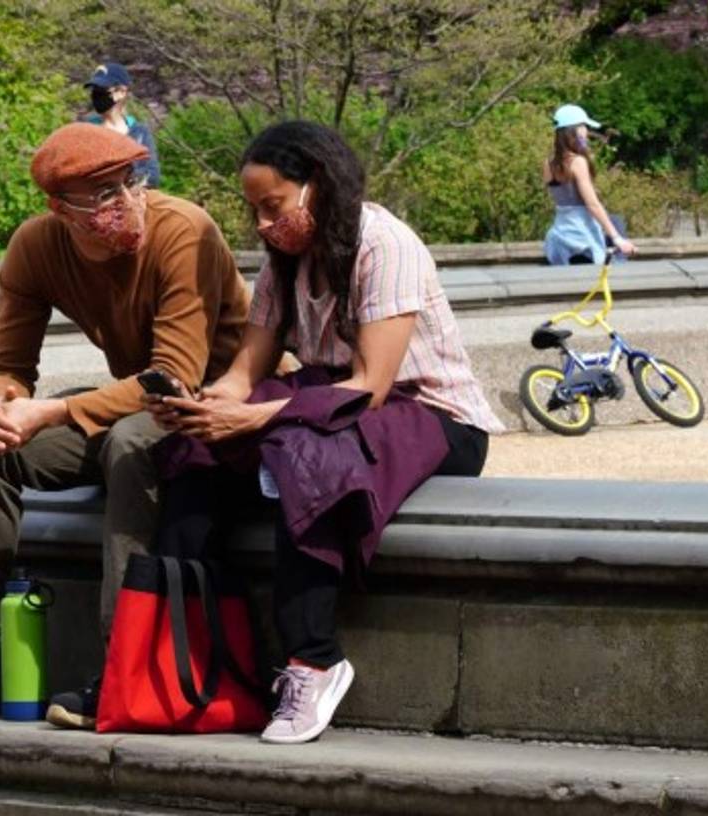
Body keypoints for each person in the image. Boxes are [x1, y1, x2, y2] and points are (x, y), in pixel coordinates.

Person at [0, 122, 251, 724]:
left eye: (129, 183)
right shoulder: (36, 247)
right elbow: (7, 365)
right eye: (102, 196)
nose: (125, 203)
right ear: (59, 208)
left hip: (217, 405)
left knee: (130, 443)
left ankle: (124, 664)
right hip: (143, 401)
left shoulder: (183, 229)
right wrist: (4, 407)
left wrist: (49, 410)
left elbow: (174, 376)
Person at [144, 121, 504, 745]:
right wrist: (204, 407)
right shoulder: (284, 258)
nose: (264, 224)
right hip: (328, 398)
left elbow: (370, 386)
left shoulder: (384, 244)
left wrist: (253, 418)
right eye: (255, 210)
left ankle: (314, 660)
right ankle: (192, 658)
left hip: (430, 413)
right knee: (194, 451)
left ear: (317, 184)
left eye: (274, 205)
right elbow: (245, 371)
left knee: (305, 452)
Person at [542, 104, 638, 265]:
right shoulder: (577, 162)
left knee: (615, 220)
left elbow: (563, 197)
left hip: (560, 236)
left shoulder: (548, 163)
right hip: (582, 238)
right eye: (584, 127)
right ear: (576, 130)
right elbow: (592, 205)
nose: (586, 132)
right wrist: (617, 238)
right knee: (617, 230)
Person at [83, 61, 161, 188]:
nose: (96, 95)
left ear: (122, 92)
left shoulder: (139, 132)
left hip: (134, 196)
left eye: (102, 90)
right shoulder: (87, 130)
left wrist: (120, 178)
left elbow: (153, 176)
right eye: (94, 90)